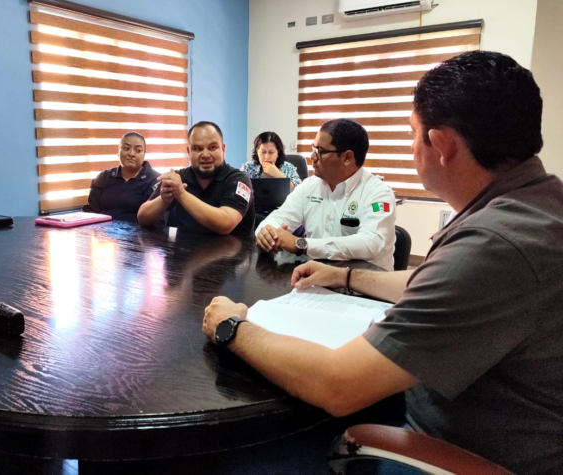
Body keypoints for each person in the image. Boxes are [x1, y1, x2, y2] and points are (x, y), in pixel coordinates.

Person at [202, 51, 563, 474]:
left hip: (455, 446)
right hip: (463, 409)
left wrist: (232, 327)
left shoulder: (492, 244)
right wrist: (346, 276)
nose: (410, 145)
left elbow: (337, 385)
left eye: (413, 133)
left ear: (441, 145)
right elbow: (437, 280)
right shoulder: (535, 204)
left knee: (241, 459)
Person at [255, 119, 396, 271]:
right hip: (315, 277)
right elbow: (279, 217)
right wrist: (268, 232)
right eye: (314, 149)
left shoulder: (379, 193)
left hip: (363, 282)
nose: (313, 157)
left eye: (321, 152)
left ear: (347, 158)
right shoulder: (310, 186)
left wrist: (301, 244)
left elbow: (370, 243)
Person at [137, 121, 255, 237]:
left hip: (234, 250)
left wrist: (182, 194)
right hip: (186, 249)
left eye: (212, 147)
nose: (205, 155)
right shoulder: (179, 178)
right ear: (188, 152)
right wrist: (164, 200)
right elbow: (142, 218)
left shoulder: (239, 179)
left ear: (223, 149)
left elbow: (226, 224)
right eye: (198, 149)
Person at [82, 132, 159, 222]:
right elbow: (91, 212)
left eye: (138, 150)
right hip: (104, 229)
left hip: (139, 230)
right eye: (126, 148)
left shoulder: (155, 180)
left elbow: (156, 221)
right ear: (118, 151)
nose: (131, 154)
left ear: (144, 154)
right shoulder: (104, 177)